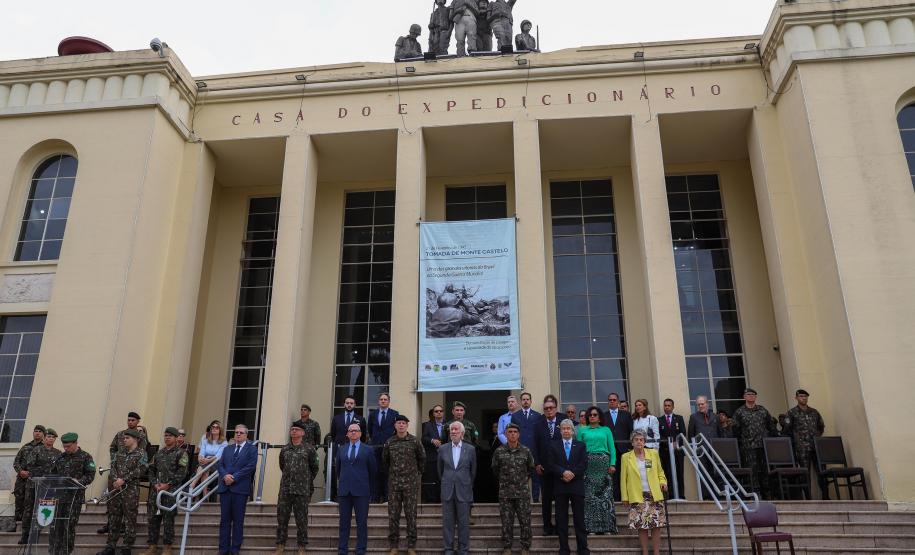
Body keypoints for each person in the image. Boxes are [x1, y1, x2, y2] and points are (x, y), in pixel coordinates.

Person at [99, 428, 147, 555]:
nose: (124, 440)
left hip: (130, 491)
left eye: (127, 438)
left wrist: (123, 480)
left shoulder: (142, 453)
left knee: (130, 518)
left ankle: (127, 546)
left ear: (135, 439)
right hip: (116, 490)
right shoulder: (119, 453)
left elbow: (141, 470)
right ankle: (110, 546)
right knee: (114, 517)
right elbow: (113, 467)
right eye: (124, 438)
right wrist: (115, 480)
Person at [620, 429, 668, 555]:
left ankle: (656, 553)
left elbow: (660, 472)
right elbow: (623, 479)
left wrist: (663, 482)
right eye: (636, 440)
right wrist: (625, 497)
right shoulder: (626, 457)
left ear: (645, 441)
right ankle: (645, 552)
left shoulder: (653, 454)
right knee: (641, 526)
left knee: (656, 525)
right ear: (632, 442)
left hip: (654, 495)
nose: (639, 442)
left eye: (641, 440)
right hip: (637, 496)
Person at [382, 414, 425, 555]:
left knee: (411, 515)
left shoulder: (415, 441)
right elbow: (385, 461)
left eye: (403, 423)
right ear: (395, 426)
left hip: (410, 485)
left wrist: (415, 475)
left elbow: (422, 459)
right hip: (394, 485)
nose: (401, 425)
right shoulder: (389, 442)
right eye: (399, 423)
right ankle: (394, 545)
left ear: (407, 425)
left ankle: (411, 546)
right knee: (393, 516)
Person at [143, 427, 189, 555]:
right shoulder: (159, 453)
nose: (167, 437)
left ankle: (167, 547)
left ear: (175, 438)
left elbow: (182, 472)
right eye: (165, 435)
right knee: (153, 519)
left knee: (168, 519)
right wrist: (154, 483)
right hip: (156, 491)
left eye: (170, 435)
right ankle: (152, 547)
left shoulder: (181, 453)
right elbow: (151, 470)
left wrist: (168, 484)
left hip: (170, 492)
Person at [275, 421, 319, 555]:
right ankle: (280, 546)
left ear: (303, 433)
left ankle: (302, 546)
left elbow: (314, 468)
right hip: (286, 490)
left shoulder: (309, 449)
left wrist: (305, 480)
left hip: (302, 490)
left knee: (302, 520)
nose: (293, 431)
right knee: (282, 518)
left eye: (296, 429)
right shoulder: (285, 449)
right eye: (292, 429)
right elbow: (282, 466)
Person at [491, 423, 534, 555]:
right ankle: (507, 547)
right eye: (510, 431)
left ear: (519, 434)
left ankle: (525, 547)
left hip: (522, 494)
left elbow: (531, 469)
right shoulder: (499, 451)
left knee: (525, 521)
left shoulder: (526, 451)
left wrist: (521, 482)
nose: (513, 434)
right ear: (506, 434)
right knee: (506, 522)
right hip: (506, 494)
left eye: (515, 431)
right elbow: (495, 469)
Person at [49, 432, 96, 555]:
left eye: (68, 446)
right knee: (55, 525)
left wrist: (78, 481)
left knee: (68, 526)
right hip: (59, 497)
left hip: (75, 498)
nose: (66, 449)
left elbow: (90, 476)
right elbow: (52, 475)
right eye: (64, 446)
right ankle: (54, 551)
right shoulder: (60, 457)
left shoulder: (86, 457)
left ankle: (66, 551)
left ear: (75, 443)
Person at [550, 420, 590, 555]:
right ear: (560, 431)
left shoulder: (580, 445)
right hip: (560, 486)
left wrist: (572, 473)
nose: (566, 431)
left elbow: (584, 463)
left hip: (576, 486)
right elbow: (550, 463)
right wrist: (563, 472)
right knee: (561, 520)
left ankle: (583, 548)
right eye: (563, 428)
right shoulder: (553, 445)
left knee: (579, 519)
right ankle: (564, 549)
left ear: (573, 431)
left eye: (568, 428)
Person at [217, 424, 258, 555]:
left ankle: (235, 549)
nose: (238, 434)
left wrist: (234, 477)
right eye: (236, 432)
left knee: (238, 521)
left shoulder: (251, 449)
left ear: (246, 435)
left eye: (241, 432)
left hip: (240, 489)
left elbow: (250, 466)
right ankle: (223, 549)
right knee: (224, 521)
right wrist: (225, 476)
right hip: (225, 489)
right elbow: (220, 464)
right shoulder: (227, 449)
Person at [577, 406, 618, 534]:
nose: (592, 416)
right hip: (588, 466)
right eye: (590, 415)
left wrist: (612, 464)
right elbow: (578, 450)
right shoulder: (582, 431)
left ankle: (607, 527)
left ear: (600, 417)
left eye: (595, 414)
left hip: (604, 465)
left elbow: (612, 448)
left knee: (605, 496)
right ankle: (591, 528)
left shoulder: (606, 430)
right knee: (590, 497)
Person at [336, 422, 375, 555]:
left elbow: (373, 471)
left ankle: (361, 549)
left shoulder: (368, 450)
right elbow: (338, 470)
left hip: (362, 492)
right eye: (351, 430)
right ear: (347, 434)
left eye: (356, 430)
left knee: (361, 522)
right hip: (344, 491)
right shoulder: (341, 449)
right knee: (344, 522)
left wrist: (369, 490)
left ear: (360, 433)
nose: (353, 432)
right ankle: (342, 549)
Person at [438, 421, 476, 555]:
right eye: (451, 430)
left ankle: (463, 549)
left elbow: (473, 472)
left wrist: (465, 483)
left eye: (456, 430)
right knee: (447, 523)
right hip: (447, 490)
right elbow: (440, 470)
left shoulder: (470, 449)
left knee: (463, 523)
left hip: (463, 491)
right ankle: (448, 549)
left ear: (462, 433)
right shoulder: (443, 449)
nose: (453, 432)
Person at [731, 388, 777, 497]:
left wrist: (769, 439)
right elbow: (735, 430)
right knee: (752, 471)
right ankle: (756, 494)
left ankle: (767, 493)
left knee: (765, 470)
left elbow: (771, 426)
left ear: (756, 397)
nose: (751, 396)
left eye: (753, 394)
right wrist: (743, 441)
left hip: (763, 446)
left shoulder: (762, 410)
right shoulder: (739, 412)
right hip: (748, 447)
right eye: (748, 394)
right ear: (744, 397)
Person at [20, 428, 60, 545]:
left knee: (42, 510)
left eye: (53, 437)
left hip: (47, 487)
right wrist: (42, 474)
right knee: (29, 509)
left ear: (55, 439)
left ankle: (35, 534)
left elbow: (58, 469)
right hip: (33, 484)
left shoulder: (58, 453)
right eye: (48, 437)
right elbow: (30, 465)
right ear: (44, 438)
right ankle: (25, 535)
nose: (50, 439)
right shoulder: (36, 450)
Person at [781, 389, 826, 494]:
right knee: (805, 473)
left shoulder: (814, 412)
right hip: (802, 449)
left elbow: (821, 426)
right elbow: (787, 430)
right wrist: (796, 441)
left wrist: (817, 437)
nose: (803, 398)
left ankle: (825, 495)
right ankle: (808, 497)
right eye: (801, 396)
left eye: (805, 396)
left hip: (816, 447)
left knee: (822, 472)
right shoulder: (792, 413)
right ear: (796, 398)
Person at [534, 395, 563, 535]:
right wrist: (537, 463)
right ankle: (547, 527)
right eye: (546, 408)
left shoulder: (563, 420)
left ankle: (560, 527)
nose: (549, 410)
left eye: (551, 408)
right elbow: (535, 445)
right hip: (544, 468)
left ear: (556, 408)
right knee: (546, 500)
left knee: (560, 499)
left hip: (561, 468)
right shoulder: (538, 423)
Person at [329, 396, 366, 500]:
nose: (349, 405)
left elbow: (362, 436)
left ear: (355, 405)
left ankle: (355, 494)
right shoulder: (336, 418)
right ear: (344, 404)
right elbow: (333, 434)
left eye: (351, 403)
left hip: (355, 450)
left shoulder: (360, 419)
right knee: (339, 471)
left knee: (355, 471)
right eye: (347, 403)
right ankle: (337, 495)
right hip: (340, 449)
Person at [368, 392, 399, 502]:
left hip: (389, 446)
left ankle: (387, 497)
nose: (383, 401)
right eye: (381, 399)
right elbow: (370, 430)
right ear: (378, 401)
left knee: (388, 472)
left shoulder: (395, 414)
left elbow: (396, 430)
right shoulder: (373, 414)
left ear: (389, 401)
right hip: (376, 447)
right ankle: (375, 497)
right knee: (375, 471)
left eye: (385, 399)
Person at [511, 392, 542, 501]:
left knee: (536, 478)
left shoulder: (537, 416)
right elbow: (513, 434)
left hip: (534, 451)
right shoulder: (515, 416)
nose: (525, 401)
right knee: (520, 477)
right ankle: (521, 500)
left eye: (527, 399)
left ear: (530, 401)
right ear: (520, 401)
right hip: (520, 451)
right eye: (523, 399)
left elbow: (539, 434)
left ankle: (536, 499)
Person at [13, 424, 45, 523]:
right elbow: (16, 462)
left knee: (33, 501)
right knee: (19, 500)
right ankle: (17, 523)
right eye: (36, 431)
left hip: (35, 480)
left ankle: (31, 523)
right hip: (22, 479)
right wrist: (20, 471)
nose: (37, 433)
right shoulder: (25, 447)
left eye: (40, 432)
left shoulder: (45, 448)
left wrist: (32, 473)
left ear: (43, 434)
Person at [604, 393, 632, 501]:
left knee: (624, 474)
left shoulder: (626, 414)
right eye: (610, 400)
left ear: (618, 402)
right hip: (609, 450)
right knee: (612, 475)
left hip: (624, 449)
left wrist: (630, 446)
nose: (612, 401)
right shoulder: (604, 415)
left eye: (614, 400)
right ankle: (614, 498)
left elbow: (631, 431)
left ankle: (624, 497)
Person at [657, 398, 686, 499]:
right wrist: (668, 443)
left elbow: (683, 434)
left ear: (673, 407)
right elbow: (658, 436)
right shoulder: (659, 420)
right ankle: (669, 496)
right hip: (665, 452)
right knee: (666, 474)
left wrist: (676, 443)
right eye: (665, 405)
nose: (667, 407)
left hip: (677, 452)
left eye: (669, 405)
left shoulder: (679, 418)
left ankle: (681, 495)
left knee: (679, 474)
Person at [195, 420, 227, 500]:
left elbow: (218, 456)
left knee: (205, 466)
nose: (214, 428)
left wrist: (207, 460)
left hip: (217, 464)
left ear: (220, 430)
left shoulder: (224, 442)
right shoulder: (206, 441)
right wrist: (200, 458)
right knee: (205, 470)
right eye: (213, 427)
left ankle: (193, 484)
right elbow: (201, 452)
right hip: (206, 463)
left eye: (217, 427)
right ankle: (205, 495)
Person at [421, 404, 447, 502]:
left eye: (440, 411)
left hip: (445, 458)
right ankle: (431, 501)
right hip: (431, 457)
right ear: (433, 413)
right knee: (431, 480)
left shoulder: (448, 424)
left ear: (443, 413)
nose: (438, 413)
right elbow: (423, 438)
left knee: (444, 480)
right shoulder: (427, 425)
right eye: (436, 411)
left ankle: (443, 500)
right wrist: (432, 440)